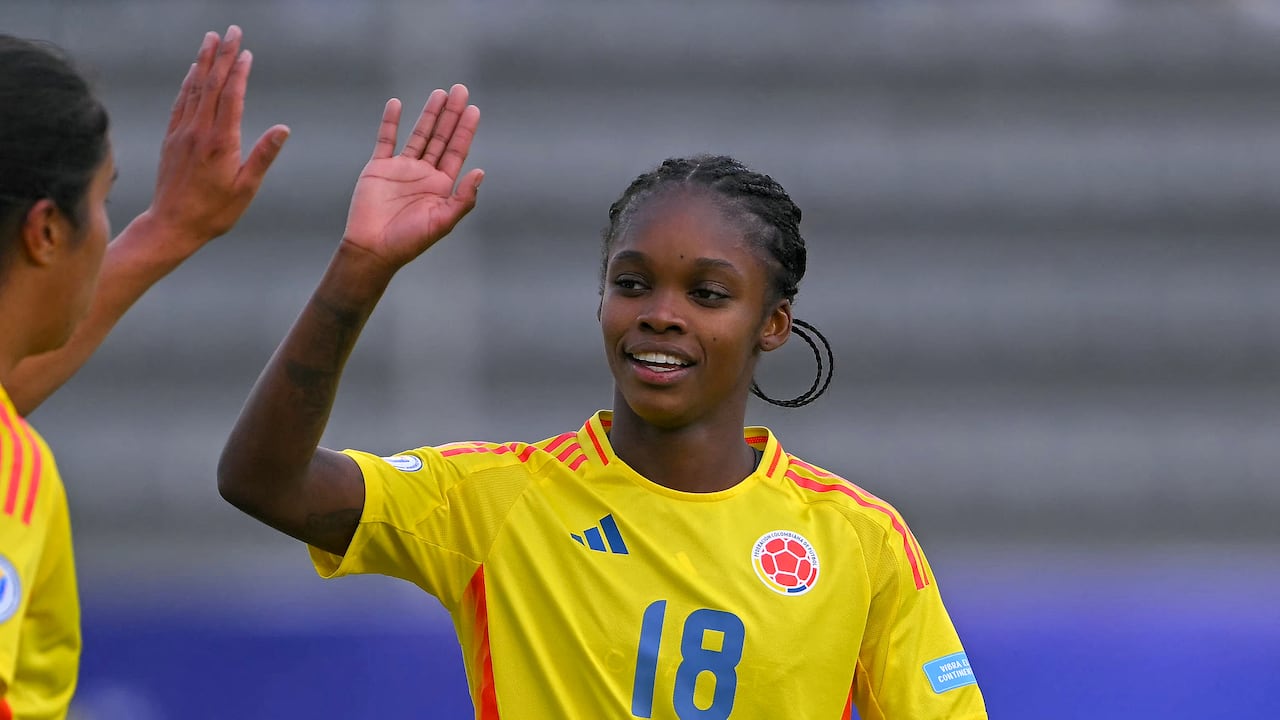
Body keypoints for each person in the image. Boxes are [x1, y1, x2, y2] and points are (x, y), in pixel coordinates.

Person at [218, 88, 988, 719]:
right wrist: (360, 270)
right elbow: (263, 482)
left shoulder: (859, 539)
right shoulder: (500, 501)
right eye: (631, 283)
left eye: (709, 294)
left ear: (773, 325)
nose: (660, 312)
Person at [0, 27, 288, 718]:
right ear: (45, 231)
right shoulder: (11, 470)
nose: (108, 230)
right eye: (105, 200)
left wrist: (170, 229)